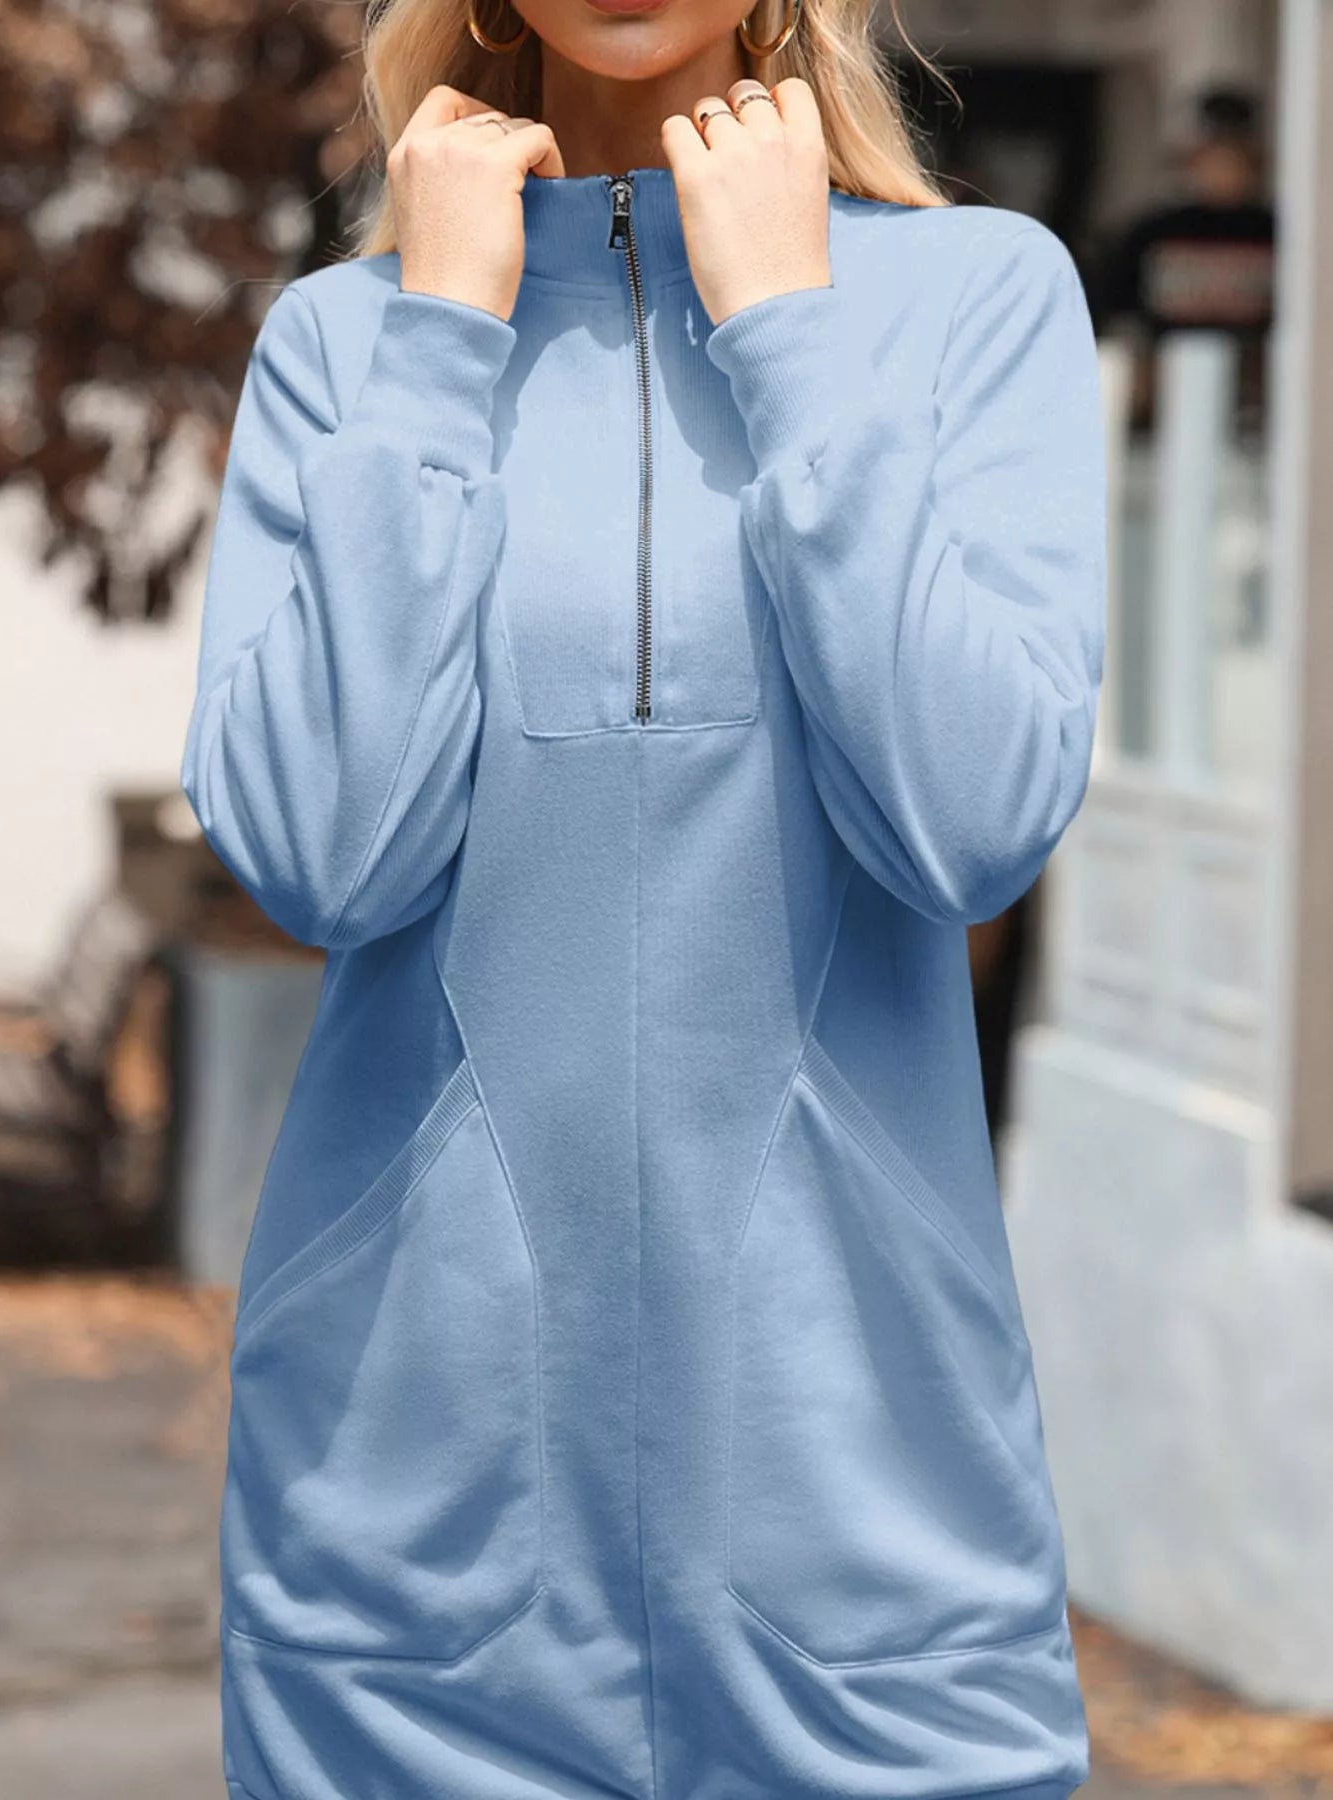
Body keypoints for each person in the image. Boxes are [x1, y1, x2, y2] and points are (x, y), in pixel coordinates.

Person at [179, 2, 1106, 1796]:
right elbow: (317, 852)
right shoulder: (347, 342)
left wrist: (788, 329)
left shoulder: (977, 299)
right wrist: (446, 333)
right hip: (405, 1568)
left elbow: (972, 819)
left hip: (870, 1550)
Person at [1094, 82, 1276, 431]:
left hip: (1255, 396)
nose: (1222, 170)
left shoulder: (1275, 231)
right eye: (1213, 157)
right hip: (1169, 392)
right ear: (1191, 159)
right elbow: (1118, 312)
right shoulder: (1154, 231)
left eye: (1234, 158)